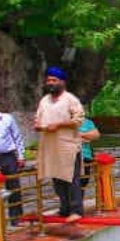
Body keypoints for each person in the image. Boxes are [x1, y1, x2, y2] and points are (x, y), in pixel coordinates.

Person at [34, 66, 85, 223]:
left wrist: (59, 125)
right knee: (57, 178)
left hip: (67, 146)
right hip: (50, 147)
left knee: (71, 178)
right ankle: (64, 209)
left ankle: (76, 210)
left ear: (62, 82)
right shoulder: (44, 100)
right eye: (48, 80)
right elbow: (38, 118)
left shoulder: (70, 99)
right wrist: (38, 124)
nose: (50, 83)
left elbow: (79, 120)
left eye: (54, 80)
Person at [78, 115, 100, 187]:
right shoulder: (66, 121)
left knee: (84, 181)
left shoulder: (88, 122)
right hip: (70, 157)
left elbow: (96, 135)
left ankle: (79, 198)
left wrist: (80, 134)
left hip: (85, 156)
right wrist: (86, 137)